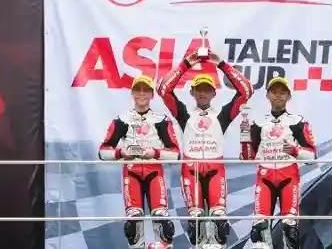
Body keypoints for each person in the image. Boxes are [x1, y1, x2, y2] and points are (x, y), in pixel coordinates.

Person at [157, 50, 253, 248]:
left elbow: (246, 91)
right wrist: (186, 63)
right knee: (196, 226)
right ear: (192, 92)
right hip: (190, 171)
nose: (203, 93)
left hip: (215, 169)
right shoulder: (183, 113)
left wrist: (221, 64)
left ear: (214, 93)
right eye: (199, 89)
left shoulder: (223, 115)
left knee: (219, 224)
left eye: (207, 89)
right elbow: (163, 90)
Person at [99, 74, 181, 249]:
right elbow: (102, 152)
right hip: (131, 173)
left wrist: (154, 153)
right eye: (138, 89)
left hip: (154, 173)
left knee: (162, 222)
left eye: (146, 90)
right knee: (133, 224)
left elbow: (175, 154)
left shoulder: (161, 120)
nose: (141, 94)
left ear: (152, 94)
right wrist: (122, 152)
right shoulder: (122, 119)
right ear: (132, 93)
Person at [239, 77, 317, 249]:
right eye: (274, 92)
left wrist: (295, 151)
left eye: (282, 92)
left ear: (289, 96)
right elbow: (248, 157)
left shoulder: (298, 121)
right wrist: (244, 137)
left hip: (288, 177)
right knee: (259, 229)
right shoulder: (258, 123)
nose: (278, 96)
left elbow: (312, 157)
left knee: (290, 230)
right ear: (267, 95)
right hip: (265, 177)